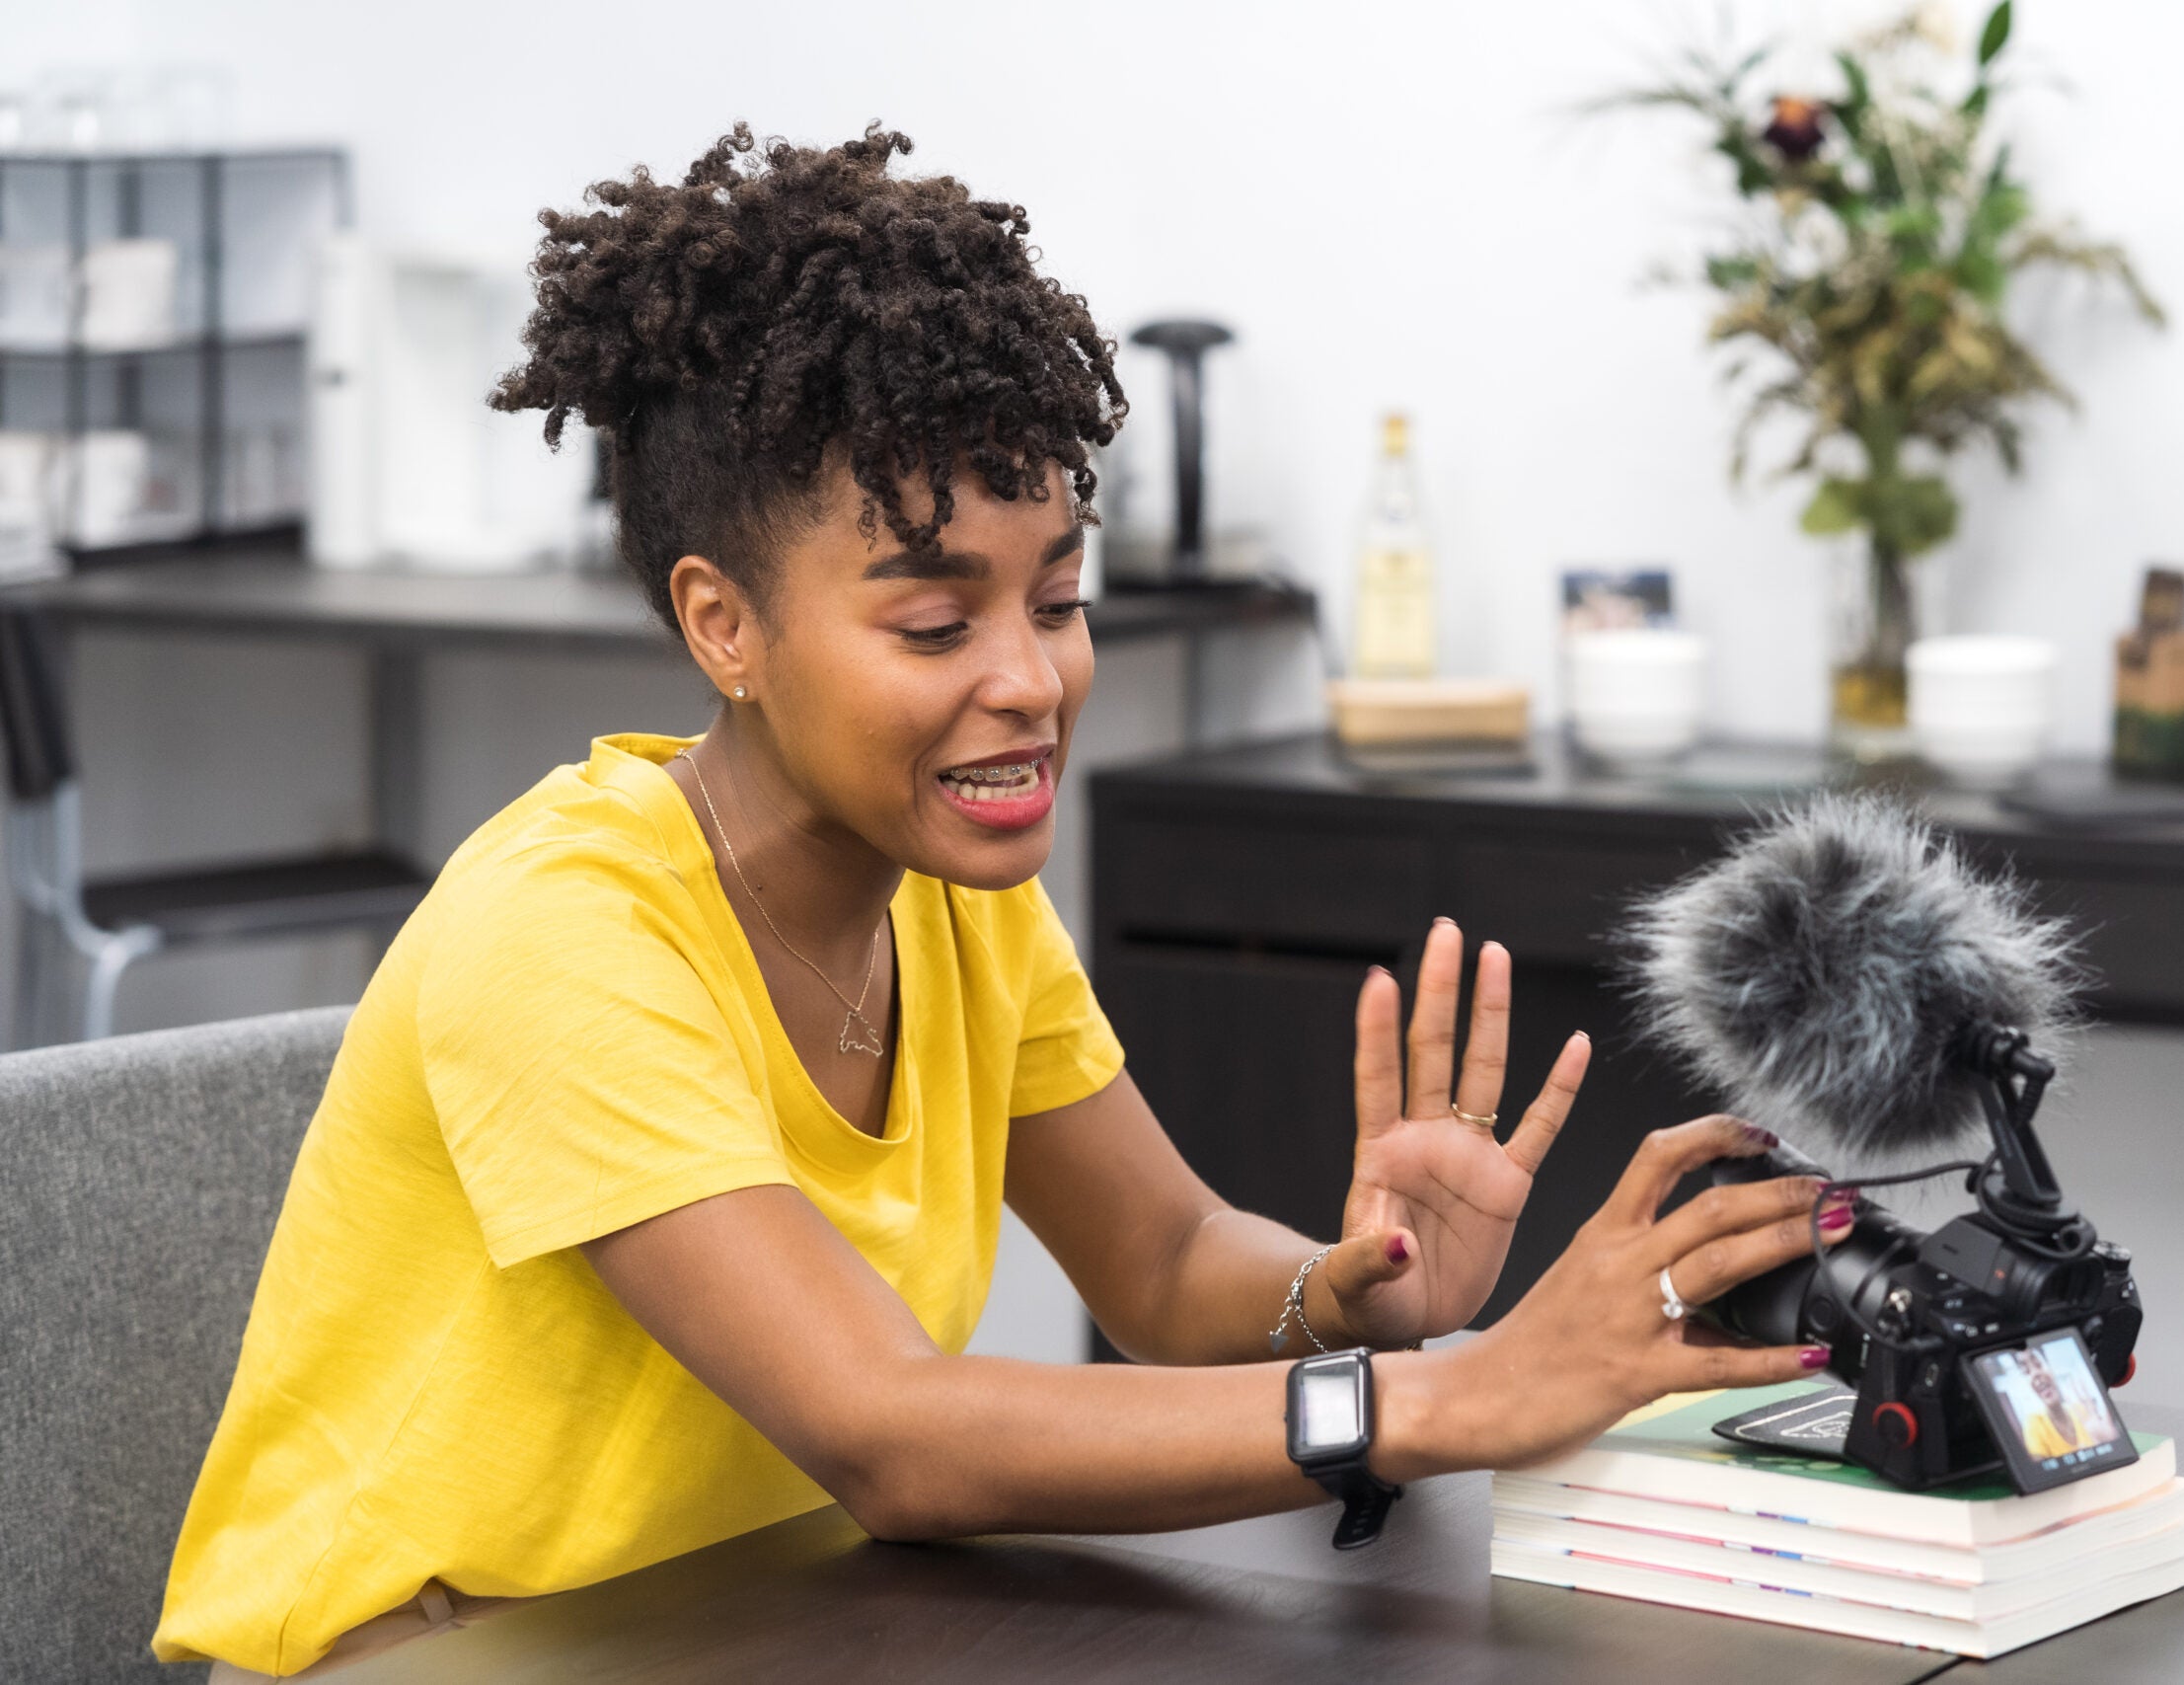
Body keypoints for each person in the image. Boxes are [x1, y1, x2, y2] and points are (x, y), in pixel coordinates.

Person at [152, 124, 1848, 1680]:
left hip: (754, 1623)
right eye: (934, 624)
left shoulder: (941, 891)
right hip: (421, 1651)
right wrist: (1438, 1399)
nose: (1032, 679)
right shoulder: (566, 929)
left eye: (1058, 598)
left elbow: (1171, 1262)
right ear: (721, 625)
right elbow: (892, 1436)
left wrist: (1354, 1291)